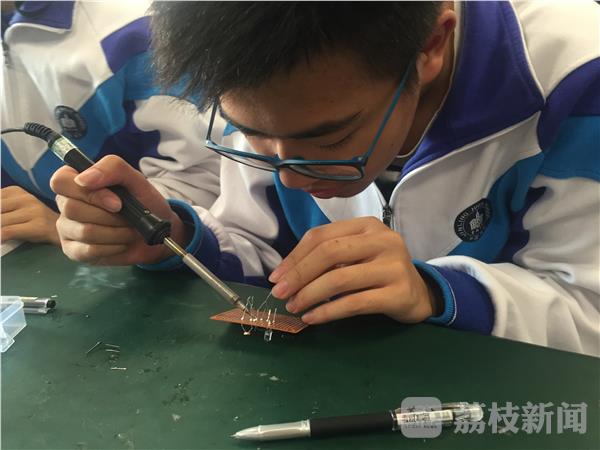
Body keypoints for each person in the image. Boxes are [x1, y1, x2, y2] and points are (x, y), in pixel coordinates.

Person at [50, 2, 600, 356]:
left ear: (431, 46)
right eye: (251, 132)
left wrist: (436, 291)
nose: (289, 179)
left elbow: (588, 317)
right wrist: (174, 236)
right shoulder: (263, 79)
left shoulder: (577, 86)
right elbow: (260, 247)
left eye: (331, 141)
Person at [1, 0, 221, 247]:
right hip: (50, 248)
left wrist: (73, 227)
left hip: (168, 250)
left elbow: (205, 181)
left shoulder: (134, 31)